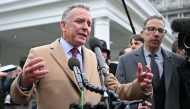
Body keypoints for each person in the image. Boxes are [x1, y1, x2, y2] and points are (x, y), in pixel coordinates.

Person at [10, 3, 153, 109]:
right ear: (63, 25)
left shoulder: (96, 58)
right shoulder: (40, 54)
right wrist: (23, 82)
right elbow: (20, 98)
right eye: (79, 21)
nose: (86, 27)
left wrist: (139, 86)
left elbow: (115, 90)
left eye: (89, 24)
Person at [115, 15, 190, 109]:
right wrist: (134, 107)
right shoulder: (125, 60)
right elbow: (119, 95)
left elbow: (184, 98)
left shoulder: (178, 61)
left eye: (161, 30)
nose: (156, 34)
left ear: (164, 35)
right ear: (142, 33)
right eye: (151, 29)